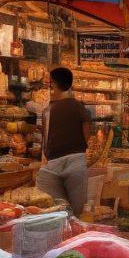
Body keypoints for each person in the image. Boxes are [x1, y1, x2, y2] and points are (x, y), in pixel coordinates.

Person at [36, 66, 92, 213]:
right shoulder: (78, 106)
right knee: (78, 210)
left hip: (54, 163)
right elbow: (86, 133)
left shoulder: (47, 110)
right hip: (75, 160)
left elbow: (45, 138)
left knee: (56, 210)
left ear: (53, 84)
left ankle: (66, 230)